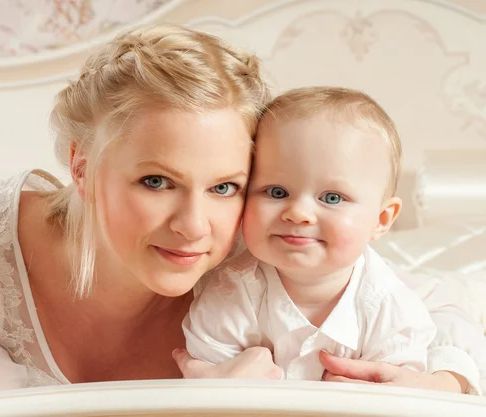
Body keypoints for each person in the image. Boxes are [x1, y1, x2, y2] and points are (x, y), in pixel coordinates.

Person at [0, 24, 483, 405]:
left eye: (225, 185)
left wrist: (444, 382)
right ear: (83, 166)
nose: (196, 226)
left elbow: (442, 296)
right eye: (156, 181)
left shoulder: (260, 238)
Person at [183, 86, 438, 381]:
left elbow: (401, 397)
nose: (298, 213)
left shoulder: (392, 310)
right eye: (277, 192)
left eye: (332, 198)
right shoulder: (230, 292)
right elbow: (206, 396)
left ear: (381, 219)